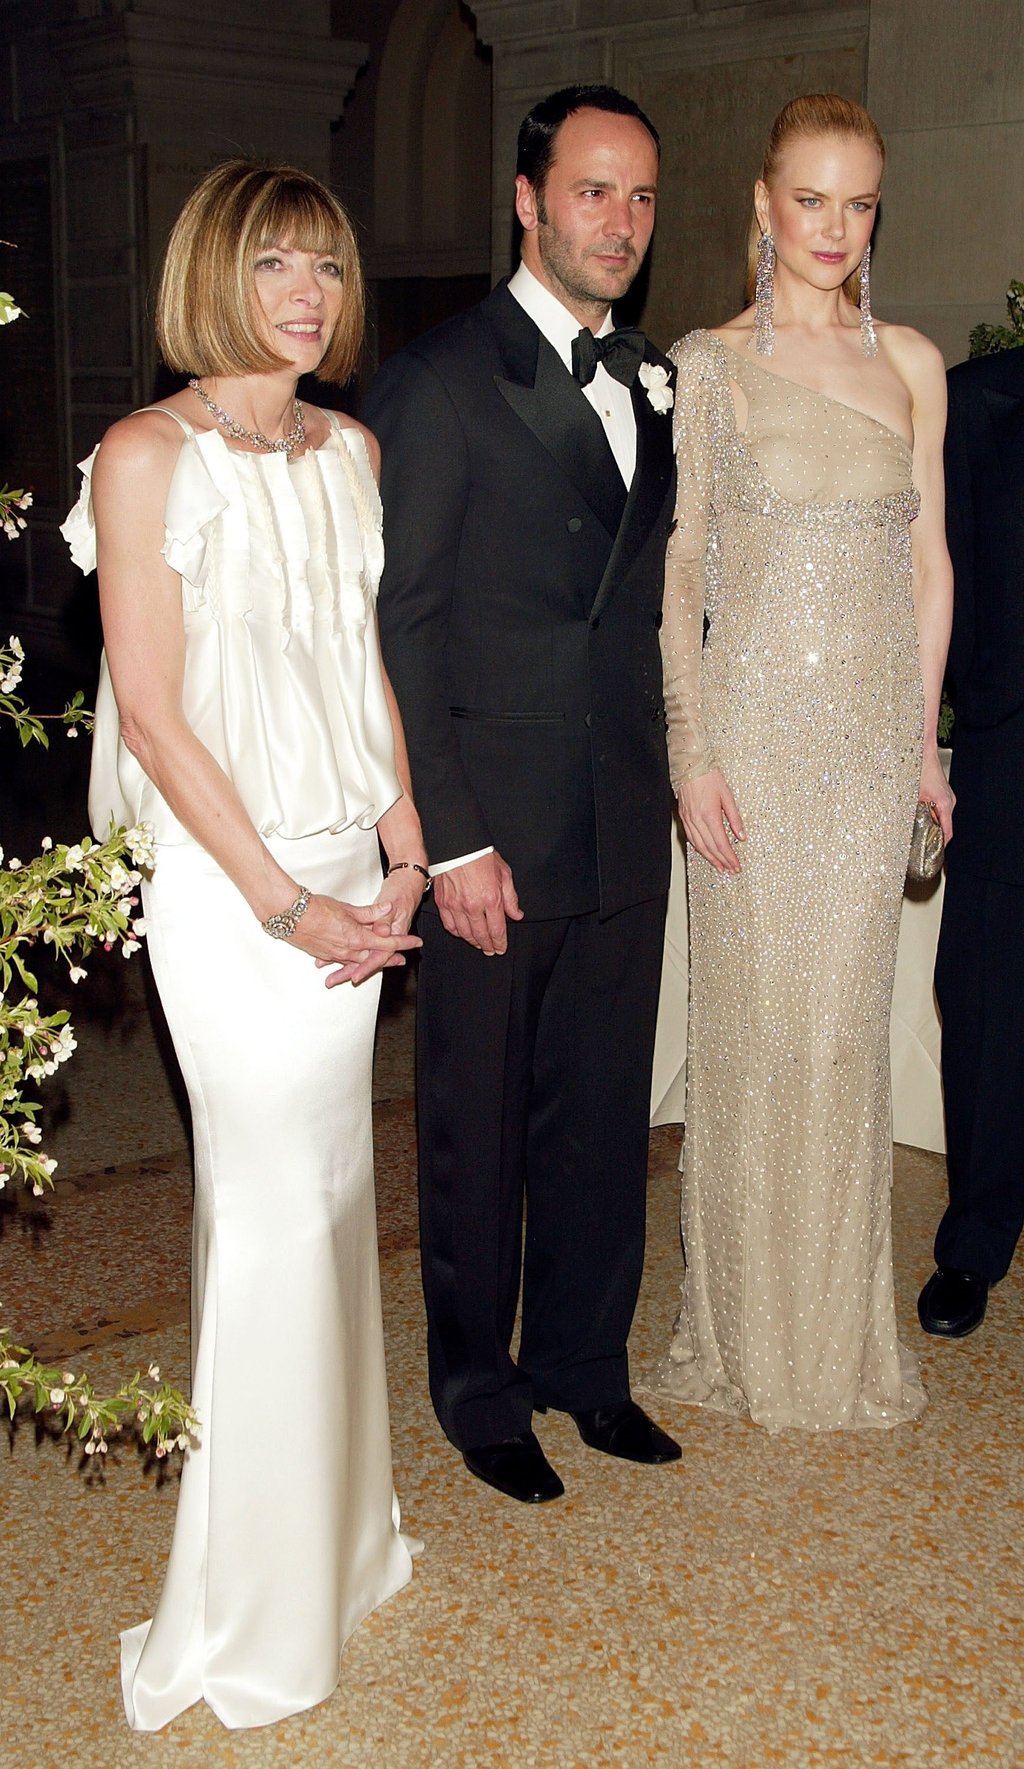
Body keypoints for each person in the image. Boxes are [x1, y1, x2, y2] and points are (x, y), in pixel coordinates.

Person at [61, 160, 426, 1730]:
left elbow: (362, 664)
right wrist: (286, 903)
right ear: (215, 275)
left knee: (329, 1207)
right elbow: (151, 710)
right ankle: (253, 1619)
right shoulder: (146, 456)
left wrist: (410, 852)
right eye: (274, 263)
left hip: (353, 863)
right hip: (231, 892)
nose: (307, 294)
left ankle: (338, 1547)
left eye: (328, 269)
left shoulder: (349, 448)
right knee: (278, 1210)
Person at [363, 85, 681, 1504]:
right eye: (594, 191)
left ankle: (582, 1365)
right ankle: (477, 1388)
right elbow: (405, 627)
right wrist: (452, 840)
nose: (619, 222)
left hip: (624, 813)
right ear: (528, 198)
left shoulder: (654, 379)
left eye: (641, 199)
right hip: (497, 823)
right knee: (478, 1129)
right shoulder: (439, 382)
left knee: (603, 1117)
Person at [647, 94, 954, 1432]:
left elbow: (926, 568)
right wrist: (690, 751)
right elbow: (681, 572)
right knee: (753, 1037)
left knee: (842, 1043)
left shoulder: (914, 364)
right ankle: (743, 1338)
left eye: (860, 201)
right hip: (752, 747)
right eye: (812, 198)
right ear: (766, 204)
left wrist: (925, 744)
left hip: (869, 750)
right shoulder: (706, 364)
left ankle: (834, 1343)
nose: (836, 227)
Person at [918, 342, 1024, 1339]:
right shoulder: (973, 404)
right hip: (1008, 750)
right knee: (988, 1006)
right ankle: (975, 1238)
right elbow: (924, 582)